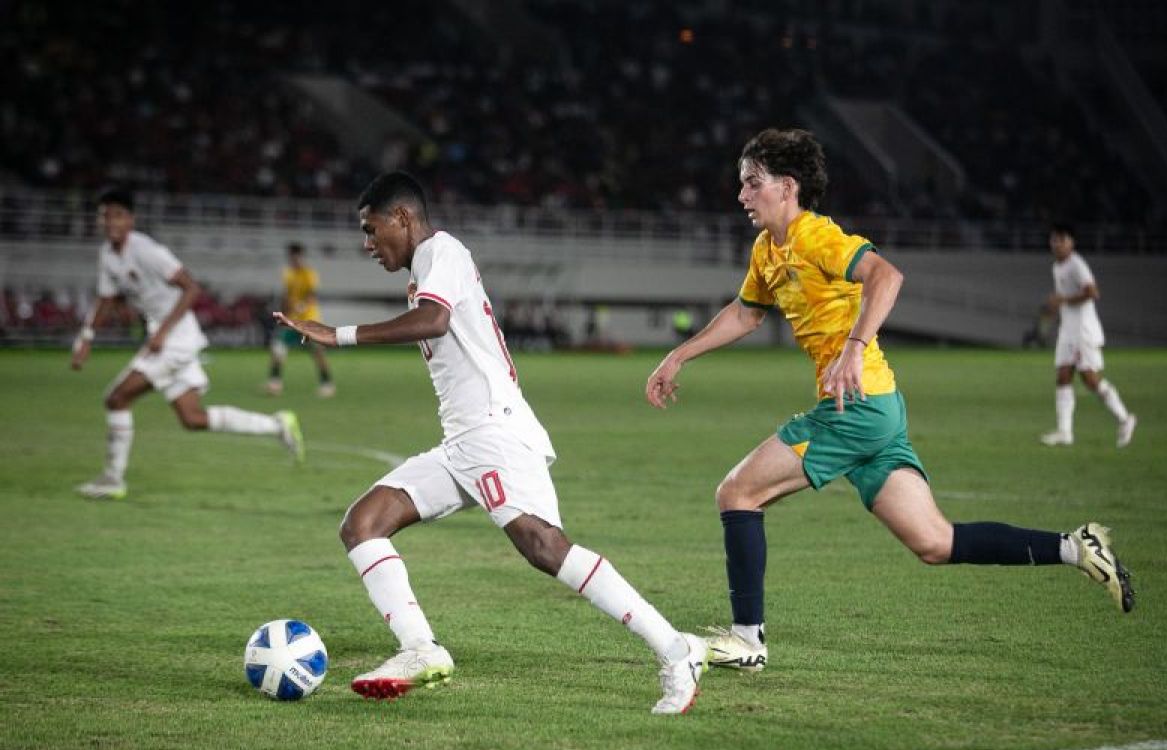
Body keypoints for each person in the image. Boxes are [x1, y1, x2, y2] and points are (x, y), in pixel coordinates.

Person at [644, 129, 1135, 673]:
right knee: (934, 541)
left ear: (787, 187)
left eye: (752, 184)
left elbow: (886, 275)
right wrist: (679, 356)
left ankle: (747, 640)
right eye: (741, 184)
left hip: (855, 408)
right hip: (877, 407)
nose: (741, 196)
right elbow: (746, 314)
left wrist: (854, 347)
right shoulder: (767, 249)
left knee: (737, 492)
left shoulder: (816, 237)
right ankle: (1078, 547)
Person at [274, 172, 707, 714]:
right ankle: (420, 650)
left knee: (544, 547)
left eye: (371, 228)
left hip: (492, 430)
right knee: (362, 524)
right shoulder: (429, 264)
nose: (367, 244)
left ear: (403, 218)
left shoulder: (441, 251)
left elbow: (433, 321)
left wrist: (338, 334)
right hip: (464, 439)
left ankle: (676, 648)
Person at [70, 188, 304, 500]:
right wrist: (86, 337)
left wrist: (163, 332)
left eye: (116, 215)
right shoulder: (108, 255)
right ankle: (277, 425)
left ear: (130, 219)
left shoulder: (147, 250)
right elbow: (106, 299)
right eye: (104, 215)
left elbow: (191, 288)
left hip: (174, 337)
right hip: (166, 337)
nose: (109, 221)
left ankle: (113, 479)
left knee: (116, 398)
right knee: (192, 418)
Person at [1040, 224, 1136, 448]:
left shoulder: (1077, 265)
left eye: (1061, 239)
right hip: (1068, 330)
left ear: (1071, 242)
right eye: (1053, 239)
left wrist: (1064, 300)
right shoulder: (1057, 267)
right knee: (1063, 376)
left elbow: (1092, 292)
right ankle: (1065, 432)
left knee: (1090, 379)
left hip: (1083, 331)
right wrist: (1057, 308)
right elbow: (1065, 298)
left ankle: (1125, 418)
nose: (1056, 244)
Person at [266, 243, 335, 398]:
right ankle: (274, 383)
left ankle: (327, 384)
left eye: (295, 256)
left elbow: (312, 294)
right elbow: (286, 295)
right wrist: (284, 312)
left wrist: (301, 306)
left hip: (309, 320)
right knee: (277, 348)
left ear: (300, 256)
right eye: (291, 257)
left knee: (317, 353)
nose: (293, 259)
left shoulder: (309, 273)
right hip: (292, 320)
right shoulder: (288, 273)